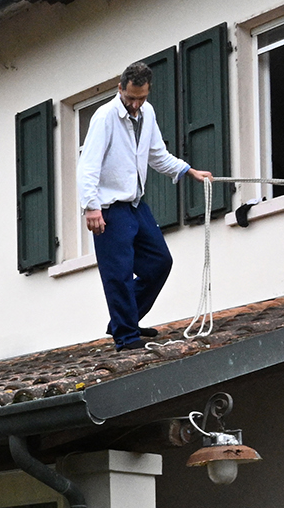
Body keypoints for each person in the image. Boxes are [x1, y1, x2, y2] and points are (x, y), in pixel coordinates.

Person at [78, 60, 214, 350]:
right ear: (119, 89)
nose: (135, 104)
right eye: (130, 98)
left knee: (159, 262)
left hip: (136, 205)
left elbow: (157, 154)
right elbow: (87, 166)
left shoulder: (147, 113)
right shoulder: (104, 117)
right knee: (120, 273)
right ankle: (126, 336)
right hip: (109, 208)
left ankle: (124, 320)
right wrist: (91, 207)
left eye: (141, 97)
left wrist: (188, 171)